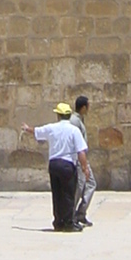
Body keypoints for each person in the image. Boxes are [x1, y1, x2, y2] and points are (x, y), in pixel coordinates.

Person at [20, 101, 91, 231]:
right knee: (68, 194)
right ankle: (68, 223)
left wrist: (26, 128)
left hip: (54, 164)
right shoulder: (74, 130)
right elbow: (81, 151)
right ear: (69, 115)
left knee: (57, 194)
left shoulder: (52, 128)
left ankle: (58, 222)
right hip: (67, 165)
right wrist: (85, 168)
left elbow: (36, 131)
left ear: (58, 115)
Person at [69, 95, 96, 226]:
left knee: (90, 184)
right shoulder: (74, 121)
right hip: (79, 159)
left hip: (83, 158)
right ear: (83, 107)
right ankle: (72, 214)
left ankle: (81, 213)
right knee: (79, 187)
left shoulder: (80, 120)